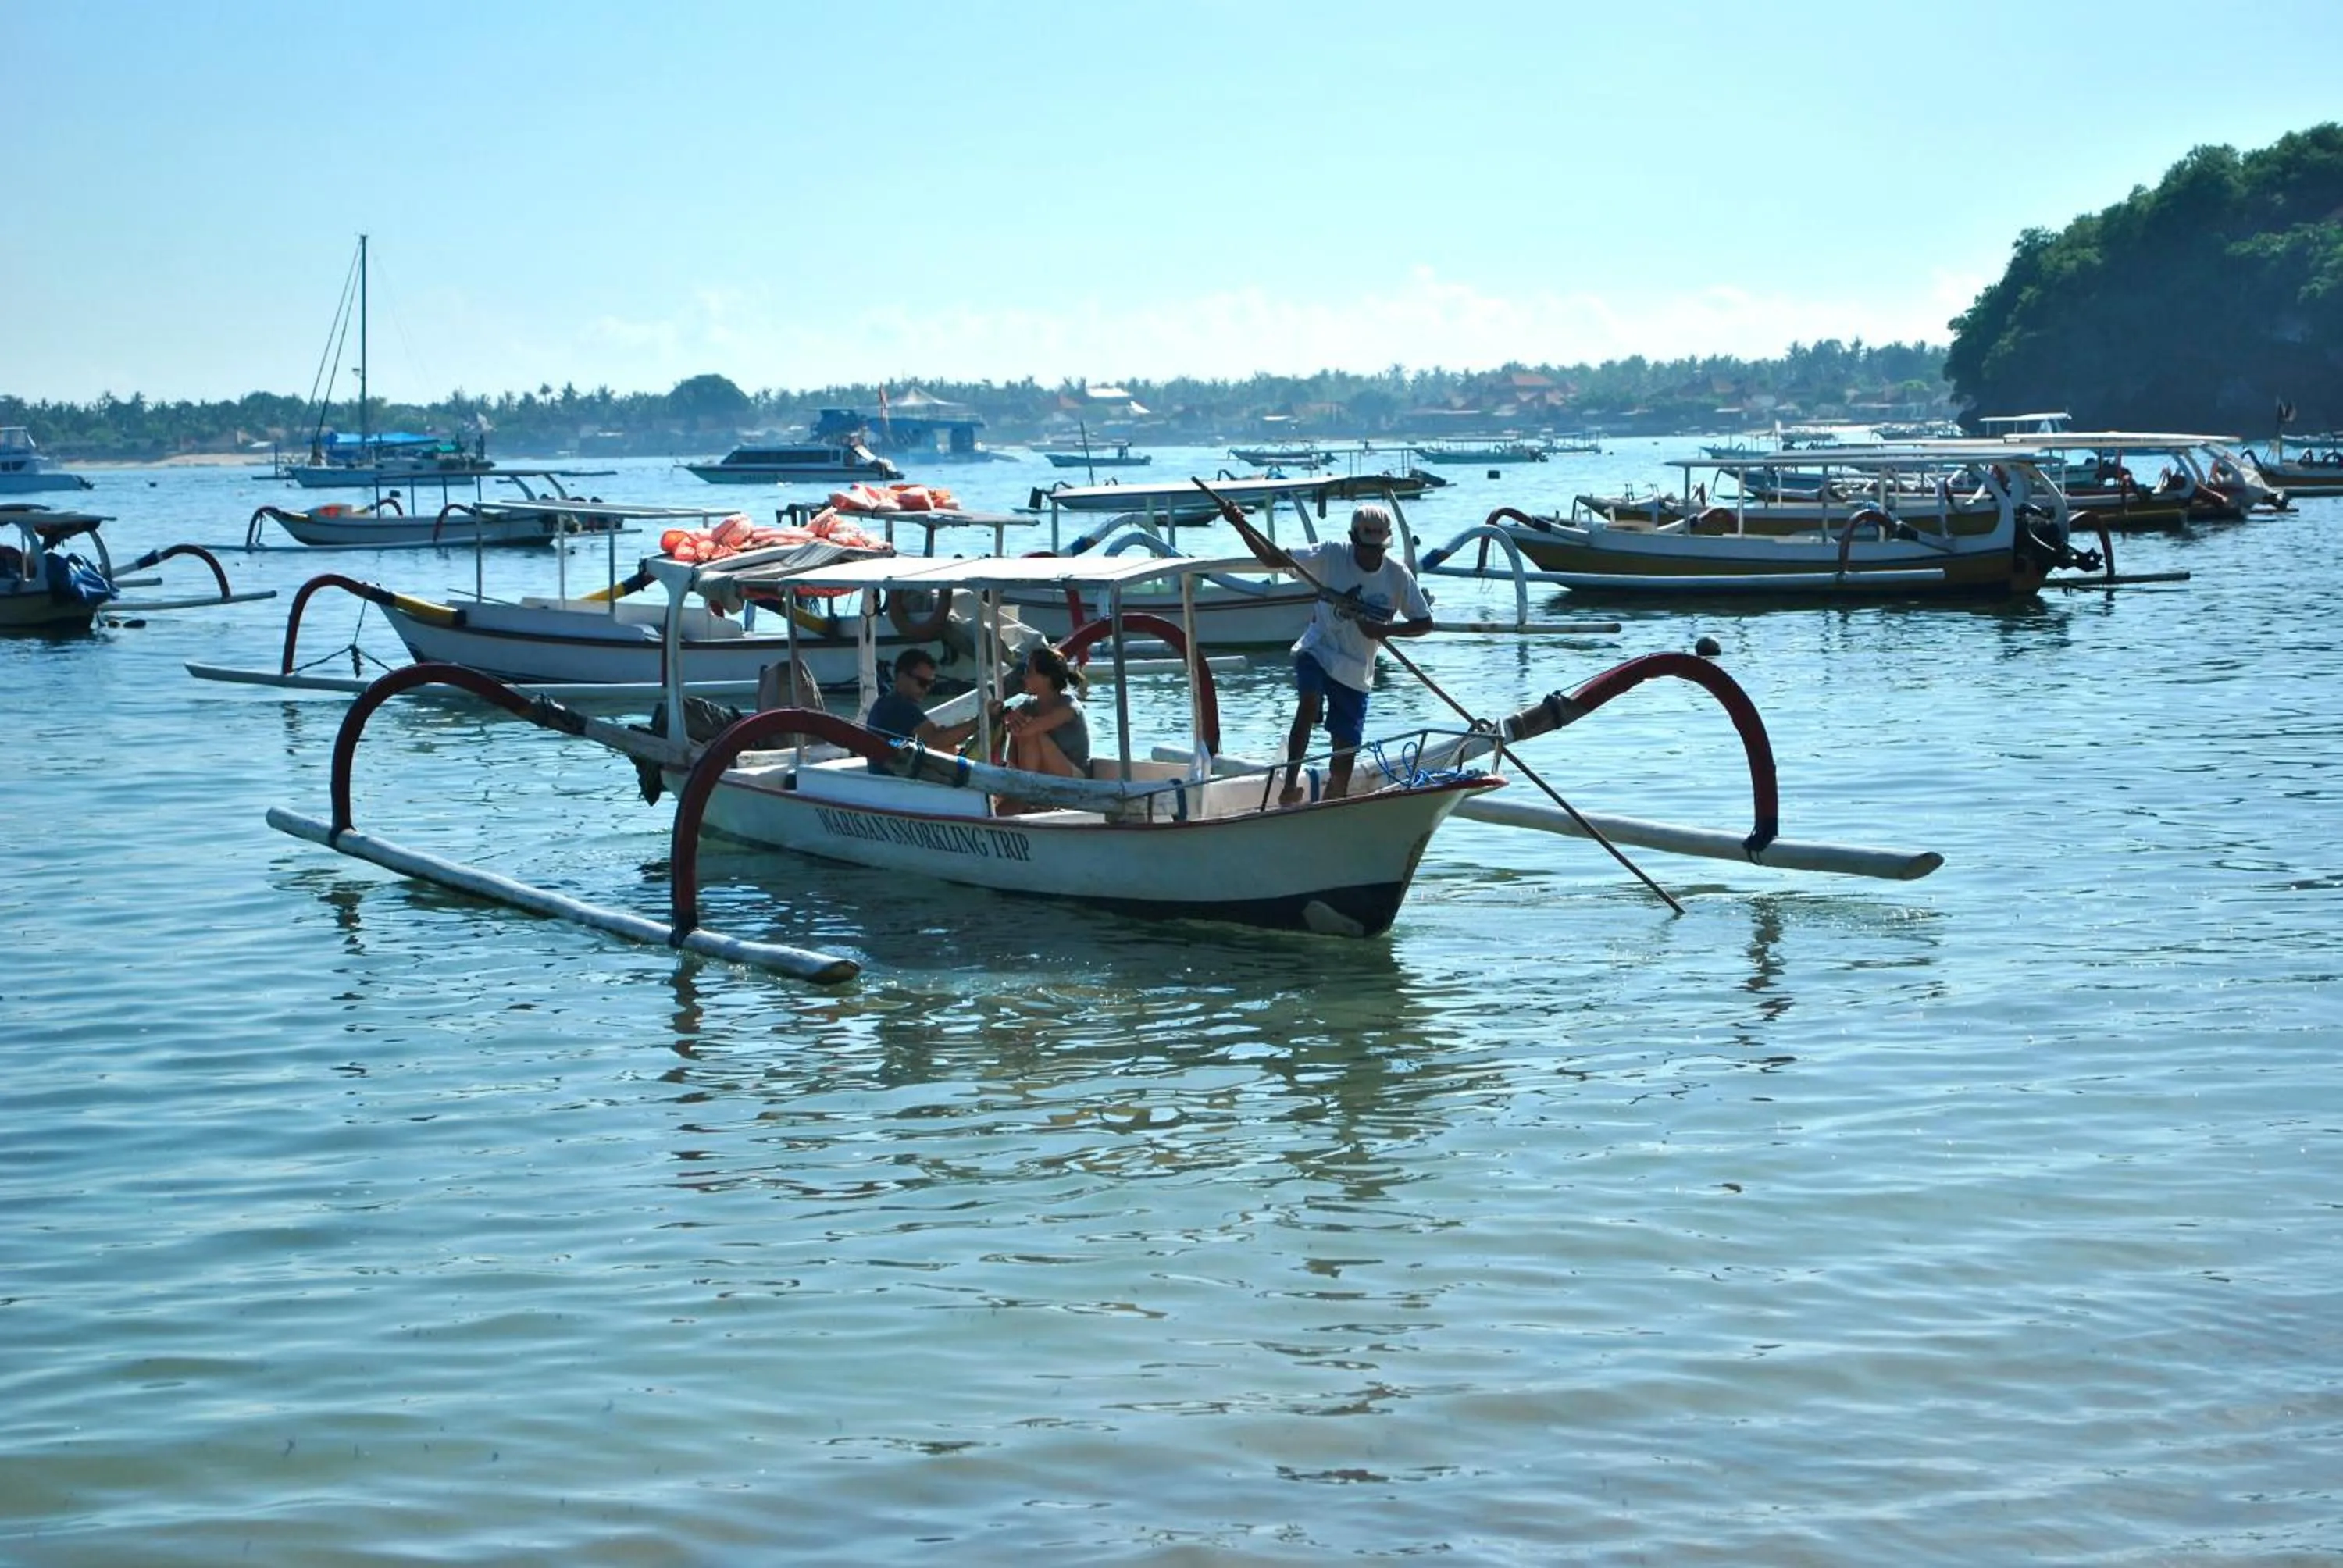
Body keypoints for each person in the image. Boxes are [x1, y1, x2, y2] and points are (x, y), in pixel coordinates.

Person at [1230, 501, 1434, 806]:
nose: (1370, 556)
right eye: (1365, 549)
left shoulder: (1397, 575)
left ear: (1386, 544)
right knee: (1309, 702)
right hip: (1318, 648)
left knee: (1344, 757)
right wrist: (1240, 526)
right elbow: (1275, 559)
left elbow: (1424, 622)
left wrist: (1384, 632)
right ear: (1353, 539)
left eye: (1378, 550)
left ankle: (1330, 806)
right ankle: (1289, 787)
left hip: (1356, 669)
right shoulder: (1331, 554)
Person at [993, 641, 1090, 813]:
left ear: (1047, 677)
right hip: (1042, 777)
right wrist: (1002, 714)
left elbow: (1027, 730)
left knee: (1030, 733)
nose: (1024, 677)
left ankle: (1026, 796)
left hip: (1075, 781)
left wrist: (1009, 717)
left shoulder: (1068, 707)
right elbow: (1012, 732)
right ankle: (1018, 793)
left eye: (1029, 672)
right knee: (1018, 734)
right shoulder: (1029, 705)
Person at [861, 648, 979, 772]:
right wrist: (980, 722)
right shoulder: (899, 707)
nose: (927, 689)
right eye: (922, 683)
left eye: (931, 684)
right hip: (897, 781)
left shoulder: (884, 702)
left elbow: (930, 740)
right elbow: (937, 738)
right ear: (902, 676)